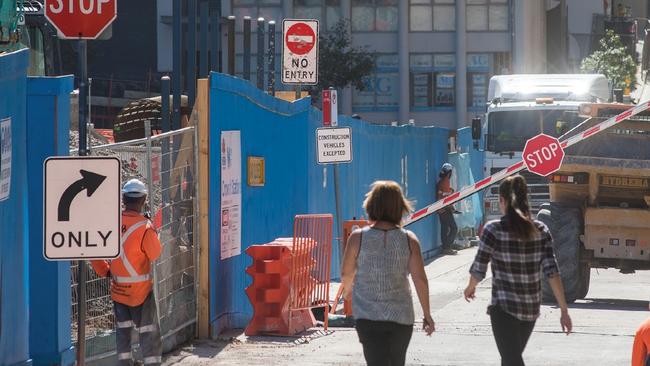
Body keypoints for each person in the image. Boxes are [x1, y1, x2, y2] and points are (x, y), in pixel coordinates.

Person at [463, 175, 572, 366]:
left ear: (502, 201)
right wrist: (564, 310)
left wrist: (470, 287)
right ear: (525, 200)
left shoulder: (493, 230)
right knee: (511, 358)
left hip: (503, 309)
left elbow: (479, 268)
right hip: (530, 310)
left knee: (512, 359)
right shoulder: (541, 230)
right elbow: (552, 272)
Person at [341, 180, 435, 366]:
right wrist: (427, 314)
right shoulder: (410, 240)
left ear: (372, 205)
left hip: (368, 317)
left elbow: (346, 274)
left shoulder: (357, 238)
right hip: (401, 318)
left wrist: (348, 292)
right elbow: (420, 280)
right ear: (400, 207)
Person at [91, 179, 163, 365]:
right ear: (144, 199)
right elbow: (154, 254)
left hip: (118, 290)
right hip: (141, 293)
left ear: (123, 198)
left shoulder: (111, 223)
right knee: (147, 332)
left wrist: (105, 271)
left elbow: (95, 251)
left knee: (123, 333)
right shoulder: (145, 228)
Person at [437, 163, 458, 255]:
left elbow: (443, 194)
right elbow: (446, 199)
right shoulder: (445, 181)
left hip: (440, 209)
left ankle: (445, 247)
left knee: (444, 228)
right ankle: (447, 246)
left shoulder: (441, 182)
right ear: (449, 173)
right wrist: (452, 208)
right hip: (445, 209)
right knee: (454, 228)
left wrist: (450, 191)